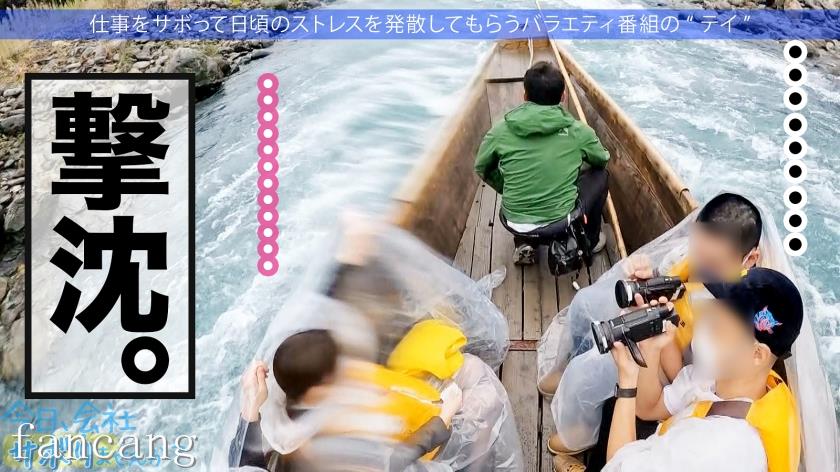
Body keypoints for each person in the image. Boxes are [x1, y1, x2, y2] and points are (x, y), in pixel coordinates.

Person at [541, 193, 765, 470]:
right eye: (697, 254)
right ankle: (571, 391)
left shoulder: (737, 311)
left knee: (604, 378)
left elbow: (686, 375)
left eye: (713, 266)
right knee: (587, 304)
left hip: (676, 371)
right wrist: (647, 280)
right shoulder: (694, 259)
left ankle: (583, 436)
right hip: (670, 355)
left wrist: (655, 334)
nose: (700, 269)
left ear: (750, 258)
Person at [604, 267, 802, 472]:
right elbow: (648, 409)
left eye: (716, 327)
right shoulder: (723, 376)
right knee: (611, 408)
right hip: (663, 447)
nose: (702, 328)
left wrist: (627, 379)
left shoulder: (721, 449)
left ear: (757, 354)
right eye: (709, 314)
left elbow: (615, 468)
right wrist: (650, 350)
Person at [231, 328, 464, 471]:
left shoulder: (292, 418)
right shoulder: (321, 446)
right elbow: (390, 461)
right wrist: (443, 418)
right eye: (337, 370)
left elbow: (242, 468)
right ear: (316, 391)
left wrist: (251, 405)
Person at [474, 60, 611, 265]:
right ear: (563, 96)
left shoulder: (499, 131)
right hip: (559, 220)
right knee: (601, 175)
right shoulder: (579, 131)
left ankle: (524, 242)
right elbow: (602, 159)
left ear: (525, 96)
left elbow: (482, 166)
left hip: (514, 221)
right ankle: (590, 240)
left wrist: (504, 185)